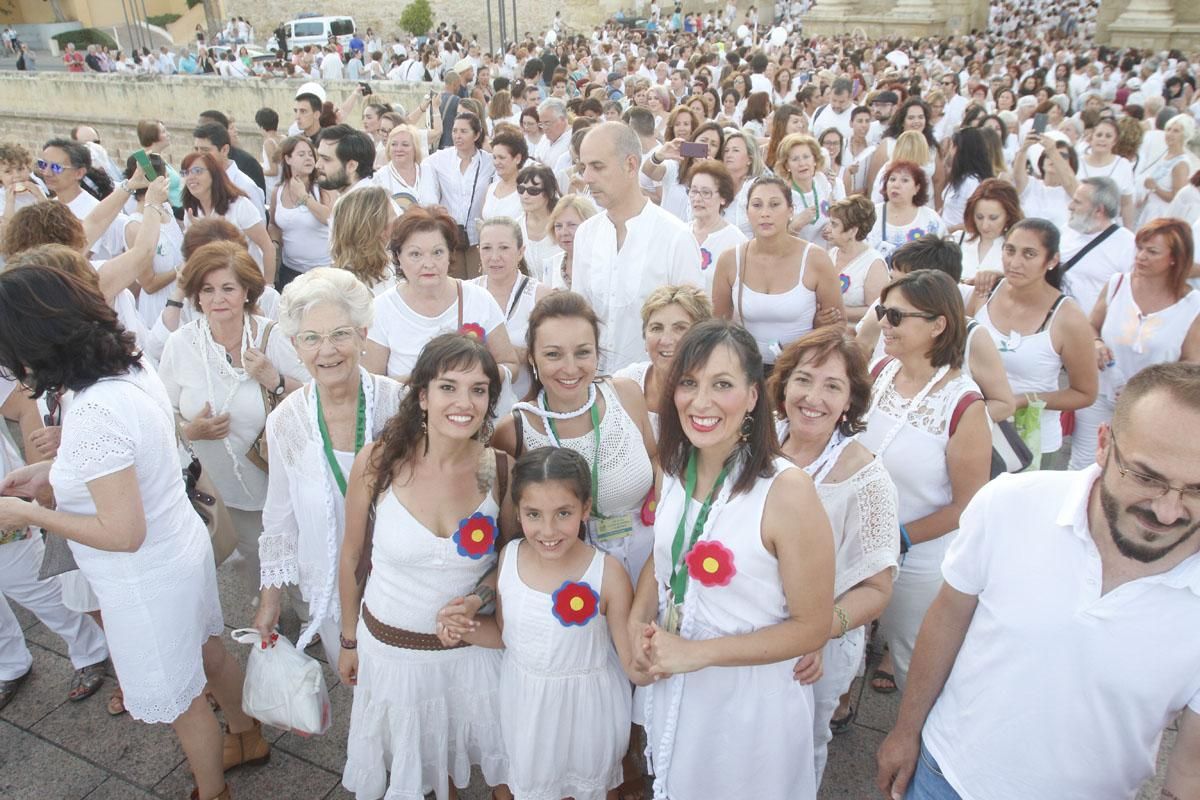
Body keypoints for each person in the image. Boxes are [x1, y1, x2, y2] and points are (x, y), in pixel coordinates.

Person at [0, 265, 267, 800]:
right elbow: (134, 461)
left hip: (145, 579)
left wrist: (29, 515)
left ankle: (211, 792)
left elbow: (122, 533)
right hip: (177, 548)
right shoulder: (125, 363)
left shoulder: (95, 406)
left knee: (182, 697)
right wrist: (50, 474)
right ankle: (248, 734)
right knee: (208, 653)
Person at [876, 361, 1200, 800]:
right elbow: (949, 616)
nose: (1168, 511)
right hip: (946, 775)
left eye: (1197, 490)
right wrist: (904, 730)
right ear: (1103, 444)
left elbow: (1190, 772)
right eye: (1145, 478)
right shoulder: (1012, 503)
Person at [628, 319, 835, 799]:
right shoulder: (677, 467)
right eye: (689, 383)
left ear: (753, 396)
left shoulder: (785, 491)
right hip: (679, 686)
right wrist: (637, 627)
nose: (700, 402)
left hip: (748, 709)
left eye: (721, 384)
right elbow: (664, 561)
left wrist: (697, 654)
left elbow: (811, 627)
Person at [337, 334, 512, 800]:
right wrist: (348, 639)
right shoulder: (377, 463)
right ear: (422, 396)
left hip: (470, 658)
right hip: (393, 657)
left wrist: (480, 598)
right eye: (448, 387)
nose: (464, 402)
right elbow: (352, 555)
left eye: (478, 390)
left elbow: (510, 564)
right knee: (419, 773)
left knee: (473, 765)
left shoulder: (501, 470)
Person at [446, 446, 646, 800]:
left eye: (563, 513)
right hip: (526, 705)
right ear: (518, 511)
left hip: (589, 712)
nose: (548, 530)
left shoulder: (608, 574)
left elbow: (631, 661)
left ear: (585, 509)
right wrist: (464, 627)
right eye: (534, 514)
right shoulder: (509, 559)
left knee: (592, 789)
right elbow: (507, 636)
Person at [253, 268, 406, 669]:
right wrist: (269, 603)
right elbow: (280, 516)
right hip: (330, 588)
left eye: (340, 334)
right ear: (294, 346)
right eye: (311, 339)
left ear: (363, 335)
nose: (327, 351)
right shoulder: (285, 420)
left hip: (400, 581)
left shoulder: (399, 405)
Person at [770, 328, 899, 787]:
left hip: (815, 651)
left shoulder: (865, 477)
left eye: (832, 386)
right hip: (748, 628)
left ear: (850, 401)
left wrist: (814, 630)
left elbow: (877, 589)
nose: (813, 397)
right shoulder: (759, 442)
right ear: (783, 384)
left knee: (800, 745)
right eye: (804, 379)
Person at [858, 269, 992, 694]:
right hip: (855, 539)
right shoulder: (880, 370)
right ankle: (841, 704)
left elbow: (968, 505)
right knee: (844, 636)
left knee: (911, 655)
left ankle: (912, 738)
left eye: (897, 316)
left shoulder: (964, 405)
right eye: (883, 311)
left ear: (938, 325)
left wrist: (897, 536)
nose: (883, 323)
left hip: (916, 554)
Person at [158, 241, 309, 594]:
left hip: (279, 474)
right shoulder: (180, 344)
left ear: (246, 291)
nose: (217, 298)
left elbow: (317, 395)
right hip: (223, 484)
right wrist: (190, 429)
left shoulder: (271, 335)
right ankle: (271, 619)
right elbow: (163, 415)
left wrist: (274, 378)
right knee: (253, 554)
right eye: (207, 290)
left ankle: (306, 613)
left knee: (298, 552)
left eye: (227, 288)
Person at [493, 291, 657, 583]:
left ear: (597, 352)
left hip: (647, 562)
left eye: (582, 352)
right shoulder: (513, 430)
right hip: (569, 579)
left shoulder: (627, 395)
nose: (570, 368)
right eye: (553, 354)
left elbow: (656, 461)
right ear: (532, 357)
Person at [0, 374, 110, 711]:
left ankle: (92, 648)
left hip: (6, 497)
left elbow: (21, 401)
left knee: (32, 582)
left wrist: (41, 479)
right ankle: (10, 664)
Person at [572, 122, 704, 373]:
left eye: (597, 166)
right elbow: (581, 314)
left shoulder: (676, 236)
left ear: (631, 165)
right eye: (583, 167)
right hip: (596, 390)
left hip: (654, 392)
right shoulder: (586, 234)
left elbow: (693, 327)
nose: (587, 178)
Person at [968, 218, 1099, 467]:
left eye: (1029, 254)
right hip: (976, 429)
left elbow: (1085, 393)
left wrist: (1023, 399)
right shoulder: (986, 290)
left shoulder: (1067, 317)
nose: (1015, 262)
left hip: (1030, 442)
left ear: (1052, 260)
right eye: (1010, 250)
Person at [1071, 219, 1200, 469]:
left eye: (1152, 251)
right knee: (1084, 465)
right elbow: (1091, 326)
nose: (1140, 256)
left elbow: (1193, 363)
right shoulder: (1117, 284)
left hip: (1153, 408)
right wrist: (1096, 343)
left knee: (1135, 471)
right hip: (1100, 394)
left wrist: (1150, 383)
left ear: (1175, 258)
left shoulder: (1193, 306)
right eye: (1139, 248)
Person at [364, 205, 519, 383]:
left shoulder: (479, 299)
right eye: (415, 254)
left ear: (450, 254)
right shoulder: (382, 309)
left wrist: (474, 376)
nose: (428, 264)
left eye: (437, 252)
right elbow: (373, 384)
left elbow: (510, 365)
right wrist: (428, 380)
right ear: (398, 256)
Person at [713, 176, 845, 369]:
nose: (765, 213)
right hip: (749, 369)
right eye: (757, 205)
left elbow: (838, 324)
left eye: (774, 205)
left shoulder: (816, 259)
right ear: (747, 212)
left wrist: (816, 329)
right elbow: (719, 325)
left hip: (801, 368)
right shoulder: (730, 260)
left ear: (790, 211)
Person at [471, 216, 552, 406]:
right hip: (474, 402)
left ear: (520, 251)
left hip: (527, 401)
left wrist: (505, 351)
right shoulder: (465, 293)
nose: (495, 257)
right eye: (487, 248)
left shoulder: (540, 295)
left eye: (504, 248)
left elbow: (553, 353)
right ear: (478, 251)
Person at [615, 285, 714, 438]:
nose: (666, 340)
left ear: (702, 338)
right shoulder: (626, 381)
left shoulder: (714, 392)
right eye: (656, 328)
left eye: (680, 328)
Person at [420, 111, 495, 279]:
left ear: (476, 135)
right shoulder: (440, 159)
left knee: (479, 281)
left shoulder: (489, 162)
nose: (457, 136)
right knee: (454, 282)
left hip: (478, 236)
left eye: (463, 131)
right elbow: (424, 172)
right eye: (454, 131)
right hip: (451, 235)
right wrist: (432, 204)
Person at [181, 151, 276, 283]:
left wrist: (268, 287)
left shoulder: (239, 205)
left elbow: (267, 247)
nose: (190, 177)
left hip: (246, 281)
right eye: (185, 173)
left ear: (214, 174)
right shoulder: (191, 210)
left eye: (197, 171)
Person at [1055, 177, 1137, 317]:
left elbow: (1131, 298)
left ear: (1098, 210)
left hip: (1087, 330)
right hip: (1054, 321)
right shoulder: (1066, 231)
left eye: (1077, 202)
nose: (1070, 206)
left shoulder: (1128, 245)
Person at [267, 136, 333, 289]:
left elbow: (329, 218)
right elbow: (273, 224)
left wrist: (304, 197)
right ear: (288, 159)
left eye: (311, 154)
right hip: (290, 271)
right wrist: (274, 243)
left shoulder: (323, 187)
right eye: (301, 154)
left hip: (322, 271)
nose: (308, 158)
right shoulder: (278, 190)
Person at [643, 121, 725, 222]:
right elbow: (648, 171)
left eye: (714, 144)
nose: (707, 147)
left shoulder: (718, 179)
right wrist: (659, 155)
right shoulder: (675, 167)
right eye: (703, 140)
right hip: (668, 232)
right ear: (693, 141)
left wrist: (714, 173)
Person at [823, 195, 888, 324]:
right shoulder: (831, 253)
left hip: (855, 337)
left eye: (834, 225)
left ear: (852, 231)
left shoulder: (874, 264)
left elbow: (876, 310)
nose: (828, 229)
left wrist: (839, 313)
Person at [866, 160, 948, 260]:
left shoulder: (931, 219)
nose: (896, 185)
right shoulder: (870, 215)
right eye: (892, 179)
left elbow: (944, 256)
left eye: (905, 180)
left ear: (917, 188)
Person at [777, 133, 845, 244]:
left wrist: (832, 226)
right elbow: (777, 242)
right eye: (795, 159)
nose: (802, 163)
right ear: (787, 166)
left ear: (814, 160)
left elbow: (833, 211)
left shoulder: (821, 180)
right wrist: (795, 226)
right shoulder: (782, 195)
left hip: (827, 254)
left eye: (806, 157)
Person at [329, 186, 398, 296]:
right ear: (378, 228)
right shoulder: (349, 290)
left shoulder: (388, 262)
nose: (399, 225)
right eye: (395, 220)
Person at [958, 178, 1023, 284]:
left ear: (1008, 216)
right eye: (979, 217)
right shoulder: (957, 239)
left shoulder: (1019, 248)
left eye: (993, 218)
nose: (985, 226)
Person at [1136, 114, 1194, 228]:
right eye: (1168, 130)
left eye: (1176, 131)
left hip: (1162, 214)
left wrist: (1154, 188)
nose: (1170, 134)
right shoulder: (1166, 155)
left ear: (1185, 135)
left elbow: (1177, 197)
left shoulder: (1181, 164)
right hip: (1150, 209)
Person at [1014, 132, 1079, 231]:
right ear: (1042, 162)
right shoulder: (1030, 185)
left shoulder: (1074, 190)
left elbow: (1070, 182)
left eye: (1062, 156)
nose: (1053, 159)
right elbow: (1018, 175)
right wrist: (1024, 149)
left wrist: (1052, 151)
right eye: (1048, 155)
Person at [1078, 118, 1136, 228]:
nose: (1102, 139)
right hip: (1079, 223)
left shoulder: (1123, 165)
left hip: (1109, 226)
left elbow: (1126, 203)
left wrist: (1129, 231)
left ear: (1114, 141)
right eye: (1099, 135)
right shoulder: (1078, 162)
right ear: (1091, 138)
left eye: (1108, 136)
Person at [514, 163, 563, 283]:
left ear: (549, 192)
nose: (525, 196)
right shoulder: (516, 227)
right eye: (521, 189)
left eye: (533, 191)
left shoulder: (563, 225)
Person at [939, 127, 995, 230]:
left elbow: (977, 220)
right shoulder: (959, 178)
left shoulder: (973, 182)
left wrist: (949, 230)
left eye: (952, 146)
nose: (949, 151)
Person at [545, 193, 596, 291]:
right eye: (558, 226)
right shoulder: (551, 264)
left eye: (572, 225)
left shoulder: (601, 262)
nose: (564, 232)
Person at [372, 124, 428, 211]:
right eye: (394, 144)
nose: (398, 149)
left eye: (405, 145)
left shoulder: (429, 171)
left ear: (415, 148)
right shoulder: (379, 177)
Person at [481, 128, 527, 221]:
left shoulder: (527, 191)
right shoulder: (491, 189)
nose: (496, 162)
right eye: (494, 157)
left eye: (501, 158)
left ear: (517, 158)